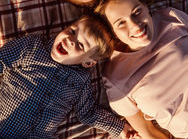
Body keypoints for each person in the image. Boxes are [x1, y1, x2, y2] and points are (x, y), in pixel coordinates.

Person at [0, 14, 137, 138]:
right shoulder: (34, 46)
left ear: (88, 62)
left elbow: (88, 113)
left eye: (81, 45)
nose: (71, 40)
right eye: (72, 31)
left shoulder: (81, 80)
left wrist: (120, 128)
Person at [95, 0, 188, 139]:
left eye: (137, 12)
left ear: (146, 7)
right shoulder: (115, 75)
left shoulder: (170, 18)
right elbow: (147, 131)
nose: (135, 25)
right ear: (113, 33)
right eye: (121, 23)